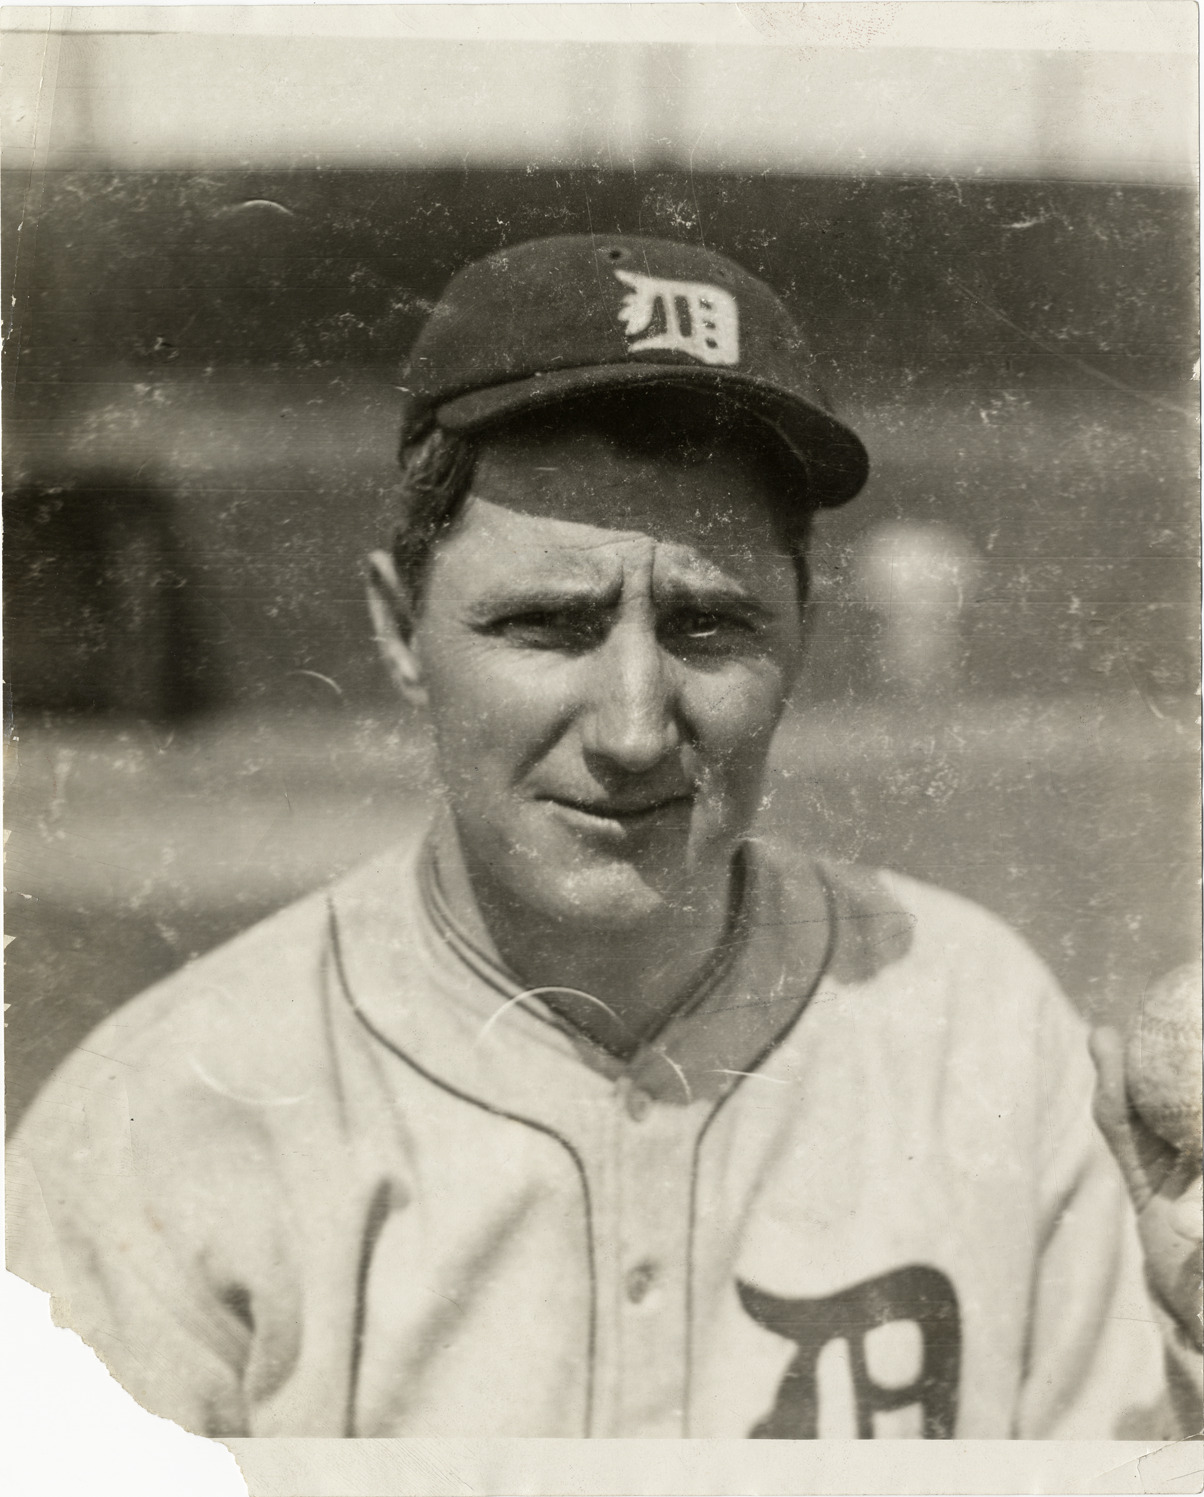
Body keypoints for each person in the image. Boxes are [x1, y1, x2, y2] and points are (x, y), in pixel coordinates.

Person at [6, 234, 1201, 1439]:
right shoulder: (159, 1122)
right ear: (399, 630)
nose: (634, 729)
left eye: (709, 625)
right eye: (548, 624)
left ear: (801, 633)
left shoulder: (983, 1038)